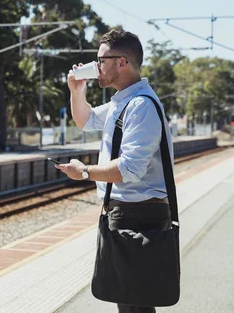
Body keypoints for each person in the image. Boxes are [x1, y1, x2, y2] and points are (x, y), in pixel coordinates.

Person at [55, 29, 173, 313]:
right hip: (128, 211)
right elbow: (85, 120)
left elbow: (130, 168)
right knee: (130, 302)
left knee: (135, 305)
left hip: (139, 214)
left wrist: (84, 172)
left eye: (101, 60)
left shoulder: (140, 106)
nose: (97, 67)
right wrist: (76, 92)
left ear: (122, 62)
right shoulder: (123, 101)